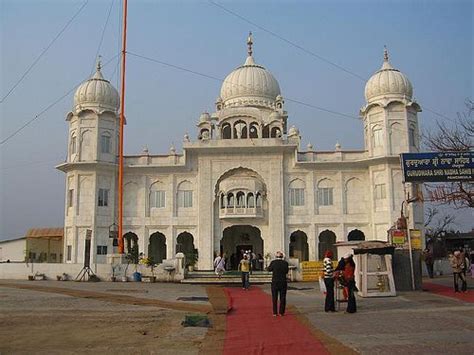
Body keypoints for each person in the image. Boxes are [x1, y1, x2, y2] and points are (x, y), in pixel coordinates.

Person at [267, 251, 289, 316]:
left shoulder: (273, 262)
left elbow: (269, 269)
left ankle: (275, 312)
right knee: (282, 297)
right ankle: (281, 312)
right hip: (283, 281)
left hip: (275, 281)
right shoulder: (285, 263)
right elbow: (286, 271)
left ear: (276, 257)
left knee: (274, 297)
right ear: (282, 257)